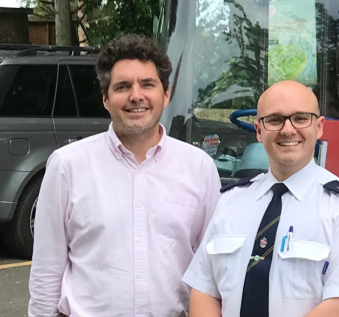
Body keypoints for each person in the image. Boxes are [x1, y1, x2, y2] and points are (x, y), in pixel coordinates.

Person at [28, 35, 222, 317]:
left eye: (147, 84)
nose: (136, 96)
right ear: (106, 98)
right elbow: (47, 270)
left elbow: (211, 268)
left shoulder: (199, 168)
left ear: (166, 94)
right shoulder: (67, 166)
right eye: (122, 87)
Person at [184, 80, 339, 317]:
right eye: (275, 120)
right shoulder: (230, 201)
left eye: (300, 118)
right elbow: (204, 290)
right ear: (259, 131)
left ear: (319, 127)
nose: (288, 130)